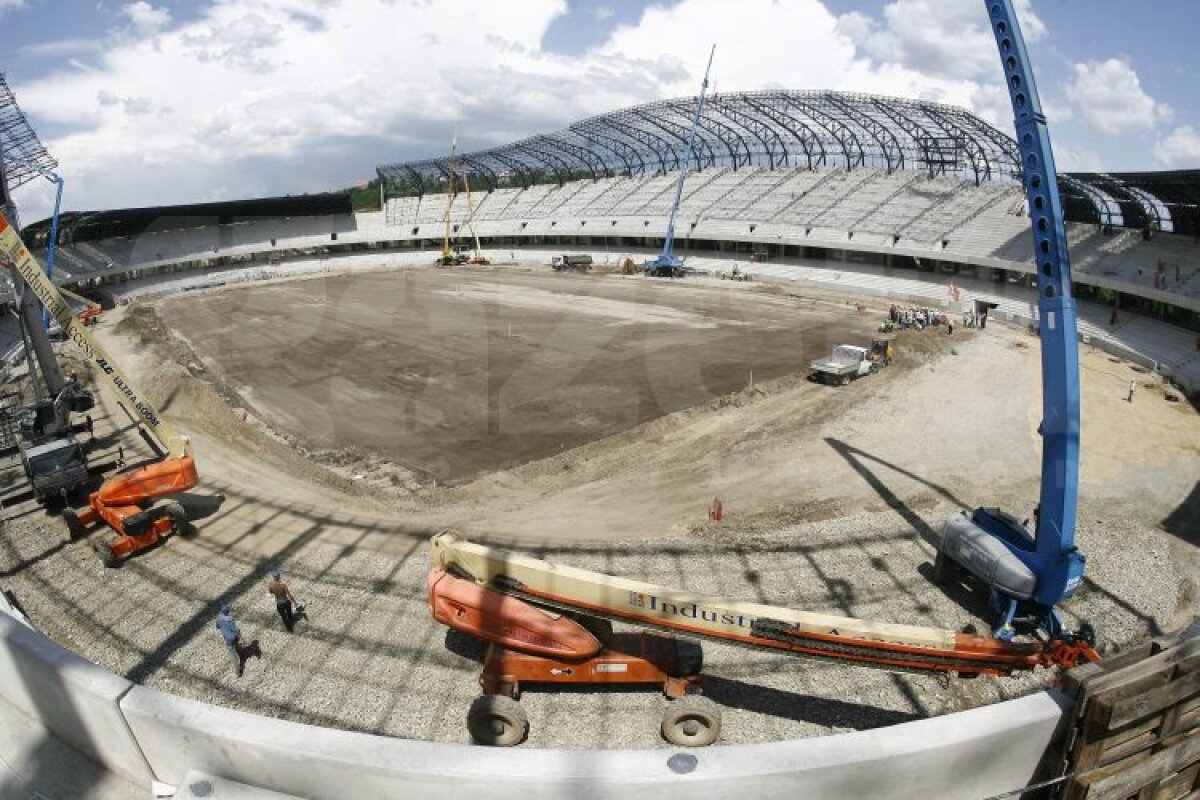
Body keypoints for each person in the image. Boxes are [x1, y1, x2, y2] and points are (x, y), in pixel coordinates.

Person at [215, 604, 243, 677]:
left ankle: (237, 672)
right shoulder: (230, 618)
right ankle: (241, 654)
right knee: (236, 645)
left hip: (228, 639)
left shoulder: (219, 618)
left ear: (221, 611)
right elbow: (235, 629)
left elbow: (217, 626)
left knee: (232, 655)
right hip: (235, 637)